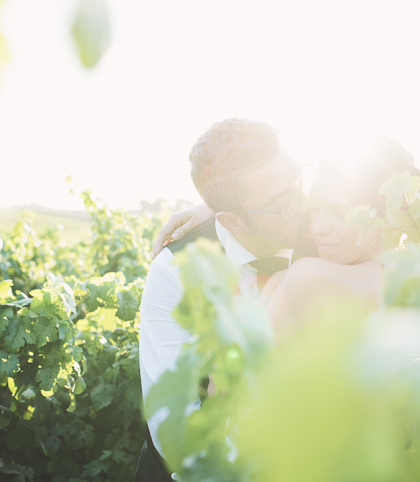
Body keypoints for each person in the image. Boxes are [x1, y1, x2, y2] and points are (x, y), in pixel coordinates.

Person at [135, 119, 316, 481]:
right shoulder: (176, 271)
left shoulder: (326, 231)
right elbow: (174, 429)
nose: (307, 202)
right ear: (231, 221)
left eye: (299, 180)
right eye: (284, 201)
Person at [154, 136, 420, 339]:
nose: (317, 225)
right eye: (315, 204)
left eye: (340, 212)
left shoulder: (305, 277)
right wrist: (220, 208)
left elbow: (224, 388)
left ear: (390, 213)